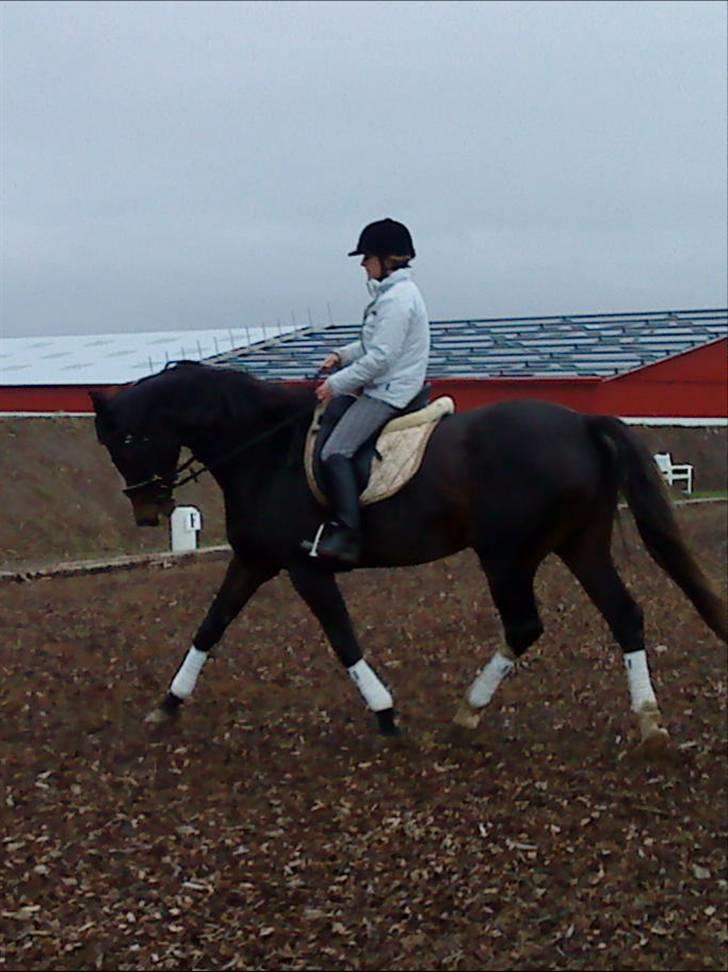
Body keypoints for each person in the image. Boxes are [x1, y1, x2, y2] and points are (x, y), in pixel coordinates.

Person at [308, 218, 430, 566]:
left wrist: (335, 385)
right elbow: (371, 343)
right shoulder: (392, 295)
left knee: (335, 451)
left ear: (387, 259)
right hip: (388, 382)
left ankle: (347, 533)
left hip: (390, 391)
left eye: (367, 257)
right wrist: (341, 356)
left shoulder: (397, 300)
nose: (363, 264)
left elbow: (380, 357)